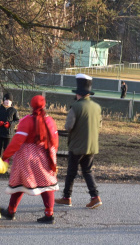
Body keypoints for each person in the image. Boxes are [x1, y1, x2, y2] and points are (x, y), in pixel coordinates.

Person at [0, 95, 59, 224]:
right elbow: (54, 141)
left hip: (26, 157)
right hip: (44, 155)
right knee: (47, 185)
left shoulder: (27, 120)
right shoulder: (50, 120)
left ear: (31, 105)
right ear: (44, 105)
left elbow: (17, 141)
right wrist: (52, 154)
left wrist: (6, 155)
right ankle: (49, 214)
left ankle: (11, 211)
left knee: (19, 184)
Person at [55, 73, 102, 209]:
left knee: (71, 172)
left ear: (78, 94)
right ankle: (95, 197)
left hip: (76, 146)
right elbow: (99, 126)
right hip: (92, 145)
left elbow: (68, 126)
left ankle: (66, 197)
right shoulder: (97, 107)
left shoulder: (75, 107)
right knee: (87, 171)